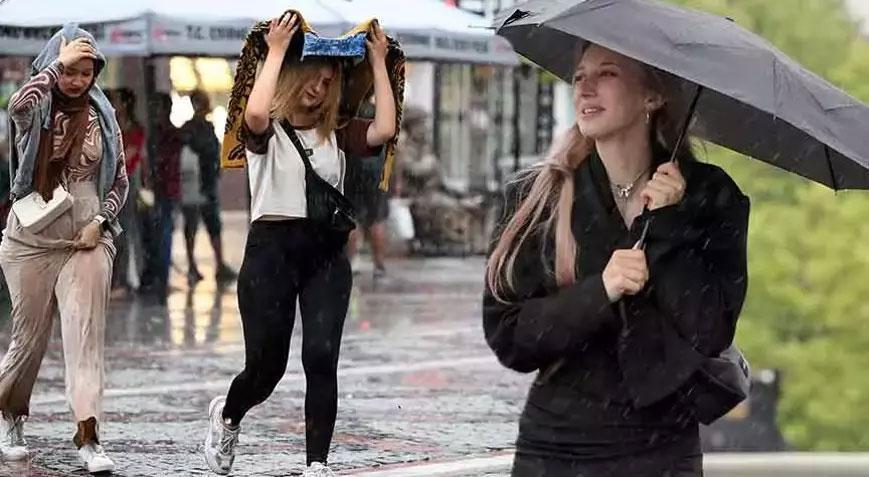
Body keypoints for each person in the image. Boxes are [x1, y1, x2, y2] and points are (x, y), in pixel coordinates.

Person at [483, 44, 750, 477]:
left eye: (607, 74)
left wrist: (669, 227)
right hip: (558, 449)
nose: (585, 88)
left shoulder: (709, 196)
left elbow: (710, 329)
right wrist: (600, 291)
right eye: (579, 76)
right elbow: (509, 336)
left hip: (663, 450)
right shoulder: (537, 196)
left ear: (652, 96)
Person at [203, 13, 397, 477]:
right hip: (270, 254)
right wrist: (275, 51)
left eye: (328, 82)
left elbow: (385, 130)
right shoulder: (265, 129)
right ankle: (228, 415)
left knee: (321, 356)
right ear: (293, 76)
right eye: (311, 77)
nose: (319, 87)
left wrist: (378, 62)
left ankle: (317, 463)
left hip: (326, 255)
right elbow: (253, 114)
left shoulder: (338, 132)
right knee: (265, 368)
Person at [0, 26, 129, 474]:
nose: (77, 80)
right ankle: (11, 416)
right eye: (71, 71)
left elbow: (120, 181)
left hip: (86, 237)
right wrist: (56, 66)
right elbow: (17, 106)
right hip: (31, 236)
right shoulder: (35, 106)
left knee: (85, 335)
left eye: (86, 72)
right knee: (28, 340)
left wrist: (101, 222)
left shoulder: (104, 116)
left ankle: (89, 436)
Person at [180, 90, 237, 286]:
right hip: (198, 184)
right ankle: (199, 265)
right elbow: (206, 153)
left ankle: (211, 264)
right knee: (198, 225)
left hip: (203, 184)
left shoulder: (198, 128)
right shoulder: (195, 129)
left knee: (204, 225)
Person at [107, 87, 147, 297]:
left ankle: (121, 279)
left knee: (122, 231)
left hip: (125, 183)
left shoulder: (134, 130)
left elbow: (126, 157)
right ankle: (114, 279)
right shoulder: (110, 126)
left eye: (116, 101)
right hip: (108, 182)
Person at [345, 97, 390, 279]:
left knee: (353, 218)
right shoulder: (381, 114)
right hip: (377, 171)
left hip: (354, 168)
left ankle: (353, 261)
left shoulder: (351, 111)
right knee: (377, 219)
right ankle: (379, 265)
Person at [149, 92, 182, 304]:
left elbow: (166, 162)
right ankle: (159, 277)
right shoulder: (163, 134)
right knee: (161, 234)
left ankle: (162, 278)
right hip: (163, 190)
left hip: (166, 190)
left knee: (164, 234)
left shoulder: (168, 134)